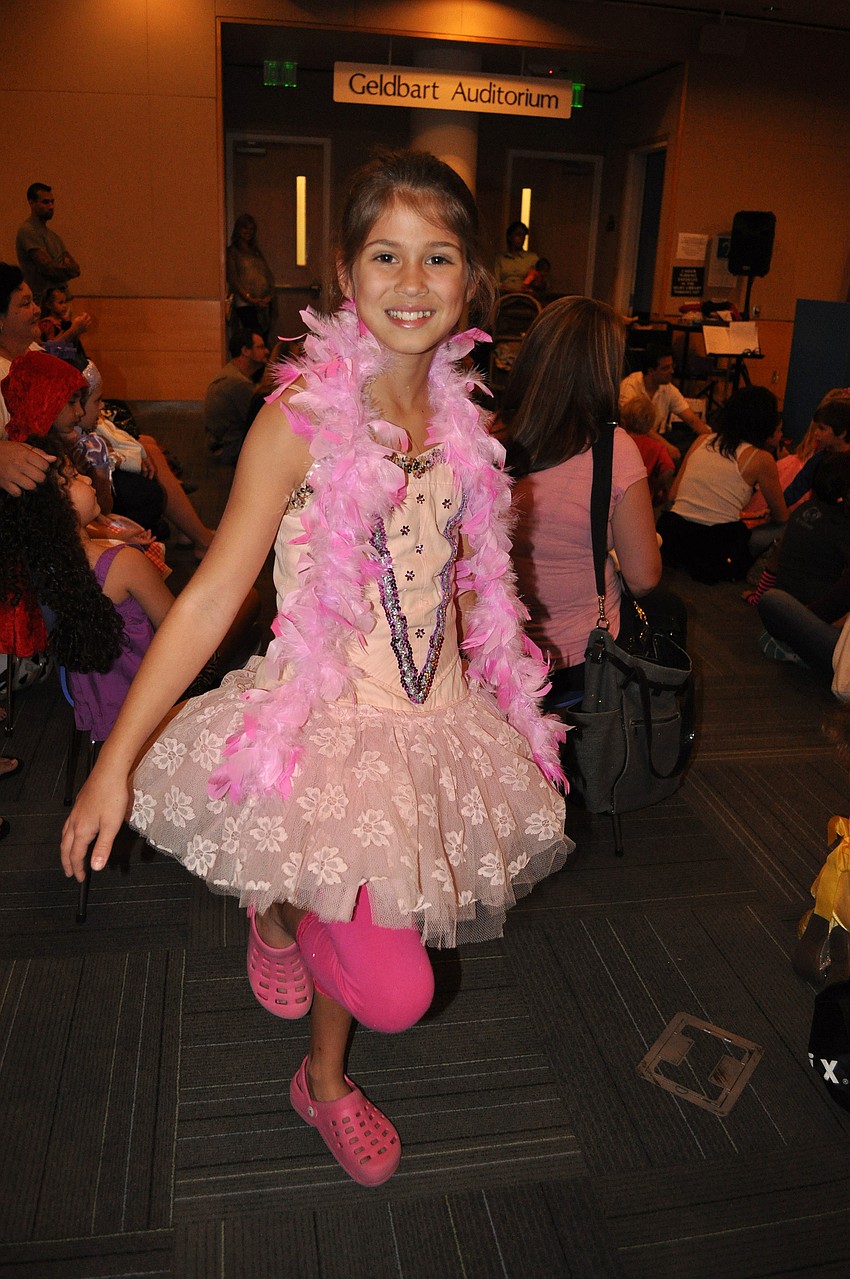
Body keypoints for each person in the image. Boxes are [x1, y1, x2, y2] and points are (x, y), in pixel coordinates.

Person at [60, 148, 571, 1187]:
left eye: (438, 257)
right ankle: (281, 906)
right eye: (387, 255)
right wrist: (113, 763)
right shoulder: (297, 420)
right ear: (345, 272)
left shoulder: (467, 423)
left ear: (473, 282)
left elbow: (458, 580)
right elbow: (212, 596)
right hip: (329, 723)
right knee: (398, 986)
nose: (412, 282)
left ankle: (322, 1080)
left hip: (434, 722)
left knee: (371, 913)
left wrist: (496, 690)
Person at [498, 295, 662, 702]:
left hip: (496, 655)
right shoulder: (614, 450)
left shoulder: (488, 435)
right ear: (604, 370)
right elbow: (644, 578)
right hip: (584, 657)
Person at [658, 385, 788, 583]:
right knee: (785, 529)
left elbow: (672, 496)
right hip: (717, 548)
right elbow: (781, 515)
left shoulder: (702, 440)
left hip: (674, 536)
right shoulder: (761, 458)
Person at [619, 343, 709, 459]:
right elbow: (640, 428)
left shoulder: (668, 388)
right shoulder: (629, 386)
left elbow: (692, 420)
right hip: (633, 442)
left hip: (656, 438)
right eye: (665, 368)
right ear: (651, 371)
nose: (672, 371)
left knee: (691, 440)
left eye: (672, 366)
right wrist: (666, 447)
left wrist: (710, 441)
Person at [204, 327, 269, 465]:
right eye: (261, 347)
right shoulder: (238, 383)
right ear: (245, 351)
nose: (267, 351)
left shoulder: (233, 373)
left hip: (223, 444)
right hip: (230, 449)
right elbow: (260, 421)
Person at [15, 183, 80, 305]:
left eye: (52, 202)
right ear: (32, 203)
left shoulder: (54, 236)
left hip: (62, 302)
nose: (51, 206)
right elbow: (48, 269)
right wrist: (65, 269)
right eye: (45, 202)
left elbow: (75, 269)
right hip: (42, 303)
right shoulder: (28, 231)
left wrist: (62, 269)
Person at [226, 214, 276, 340]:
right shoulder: (233, 252)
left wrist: (269, 296)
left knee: (263, 336)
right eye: (245, 228)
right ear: (238, 229)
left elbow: (266, 274)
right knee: (253, 337)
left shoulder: (256, 251)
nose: (248, 232)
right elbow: (234, 278)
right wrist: (250, 298)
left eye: (252, 229)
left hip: (263, 302)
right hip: (245, 303)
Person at [619, 393, 674, 508]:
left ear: (623, 422)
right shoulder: (656, 447)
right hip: (642, 500)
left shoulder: (618, 441)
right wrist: (655, 487)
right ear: (650, 426)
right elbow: (669, 470)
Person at [39, 286, 91, 353]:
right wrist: (69, 329)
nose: (64, 306)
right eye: (60, 303)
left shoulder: (62, 321)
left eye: (65, 302)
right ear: (49, 305)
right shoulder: (48, 323)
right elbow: (51, 346)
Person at [494, 221, 537, 293]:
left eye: (523, 235)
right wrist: (510, 290)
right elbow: (496, 282)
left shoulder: (532, 258)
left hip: (526, 296)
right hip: (505, 295)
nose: (521, 238)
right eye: (518, 235)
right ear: (510, 237)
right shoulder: (500, 259)